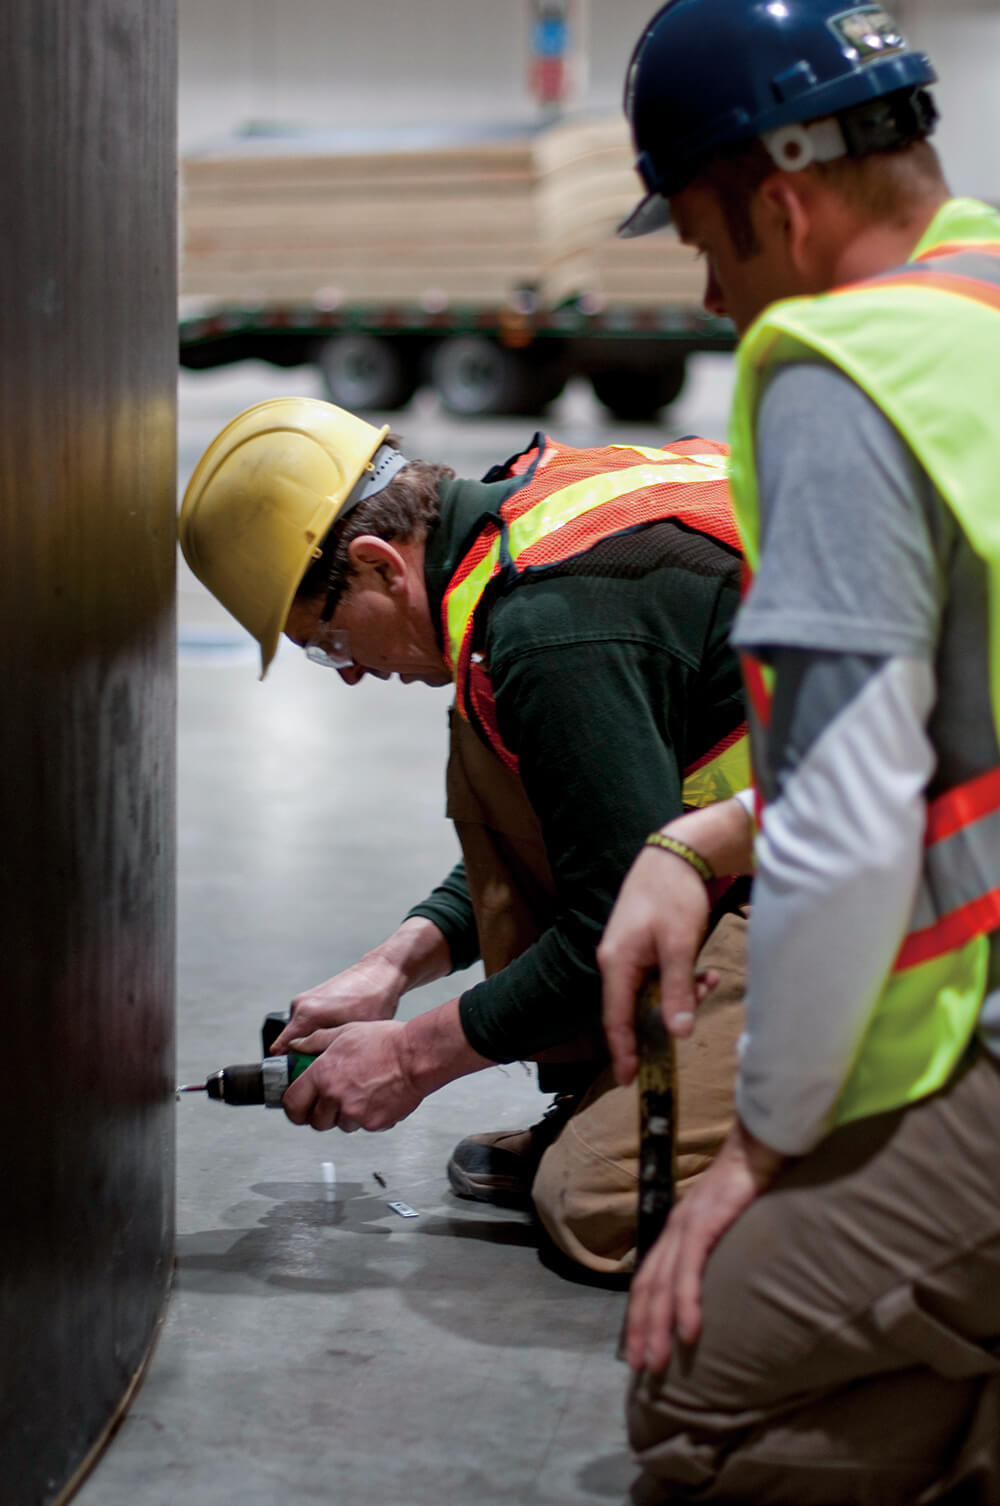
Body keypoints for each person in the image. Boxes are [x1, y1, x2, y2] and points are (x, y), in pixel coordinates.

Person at [599, 0, 1000, 1499]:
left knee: (684, 1389)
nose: (710, 297)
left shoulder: (850, 368)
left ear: (779, 199)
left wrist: (754, 1157)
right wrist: (695, 842)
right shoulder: (987, 298)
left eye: (706, 245)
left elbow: (844, 820)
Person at [178, 399, 750, 1275]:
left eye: (328, 642)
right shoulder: (523, 528)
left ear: (375, 564)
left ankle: (910, 1146)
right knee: (488, 746)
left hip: (906, 865)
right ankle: (632, 1088)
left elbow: (612, 928)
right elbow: (589, 819)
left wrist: (412, 1057)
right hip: (779, 833)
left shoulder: (552, 628)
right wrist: (394, 967)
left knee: (598, 1206)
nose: (353, 675)